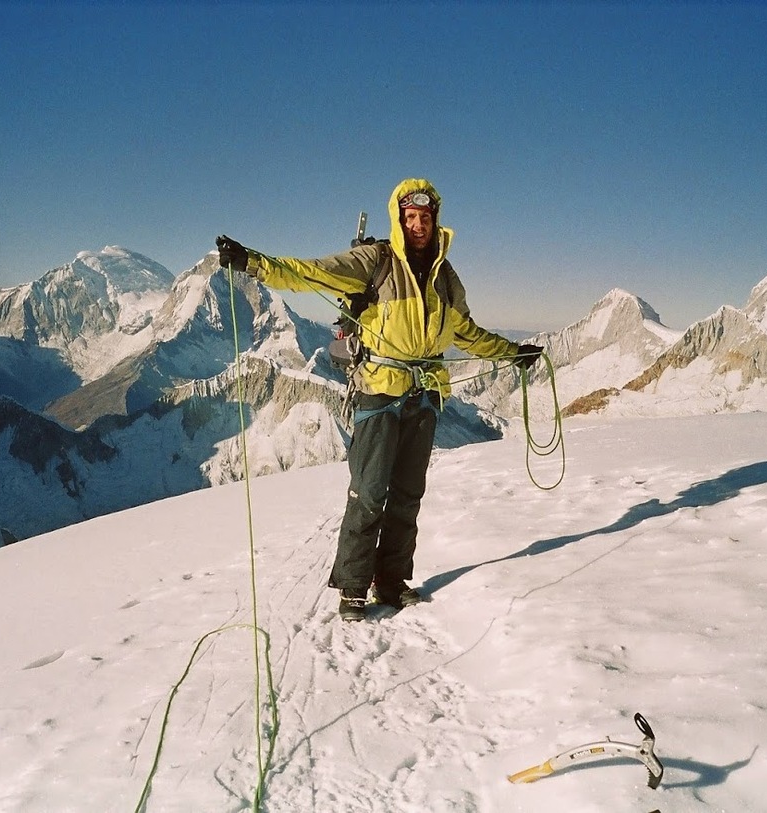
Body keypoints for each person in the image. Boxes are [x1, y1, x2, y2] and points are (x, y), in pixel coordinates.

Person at [216, 178, 542, 622]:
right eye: (411, 218)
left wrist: (512, 352)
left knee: (407, 494)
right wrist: (253, 262)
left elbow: (465, 332)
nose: (418, 225)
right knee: (369, 492)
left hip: (423, 397)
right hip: (378, 392)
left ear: (435, 221)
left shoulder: (446, 278)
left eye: (425, 218)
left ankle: (391, 580)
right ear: (398, 219)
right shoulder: (376, 262)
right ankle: (353, 586)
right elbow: (312, 272)